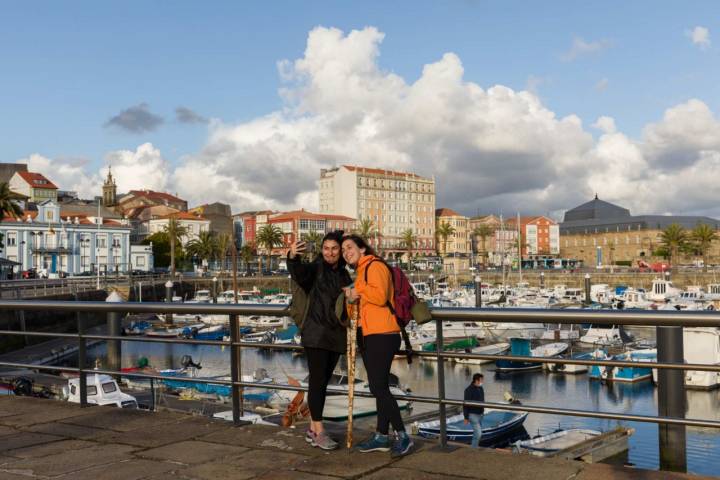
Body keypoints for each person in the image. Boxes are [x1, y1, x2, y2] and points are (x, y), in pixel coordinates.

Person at [341, 234, 413, 458]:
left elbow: (381, 297)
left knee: (378, 388)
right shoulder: (362, 270)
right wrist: (353, 299)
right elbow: (367, 303)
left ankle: (403, 436)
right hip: (371, 333)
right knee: (378, 386)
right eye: (343, 249)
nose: (346, 252)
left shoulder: (375, 266)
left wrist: (357, 292)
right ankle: (382, 436)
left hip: (383, 333)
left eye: (349, 247)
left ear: (363, 248)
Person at [287, 230, 352, 450]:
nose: (330, 253)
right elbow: (299, 273)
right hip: (315, 335)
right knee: (317, 382)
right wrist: (293, 256)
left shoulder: (344, 274)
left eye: (334, 249)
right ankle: (319, 430)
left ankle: (312, 430)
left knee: (323, 383)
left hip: (336, 336)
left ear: (340, 251)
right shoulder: (315, 269)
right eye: (326, 248)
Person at [463, 373, 485, 448]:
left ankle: (473, 448)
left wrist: (483, 411)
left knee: (476, 434)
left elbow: (482, 400)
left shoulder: (481, 388)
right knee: (479, 433)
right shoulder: (468, 390)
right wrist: (466, 417)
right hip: (473, 415)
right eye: (481, 380)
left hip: (480, 414)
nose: (483, 381)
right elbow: (465, 404)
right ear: (476, 380)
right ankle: (474, 449)